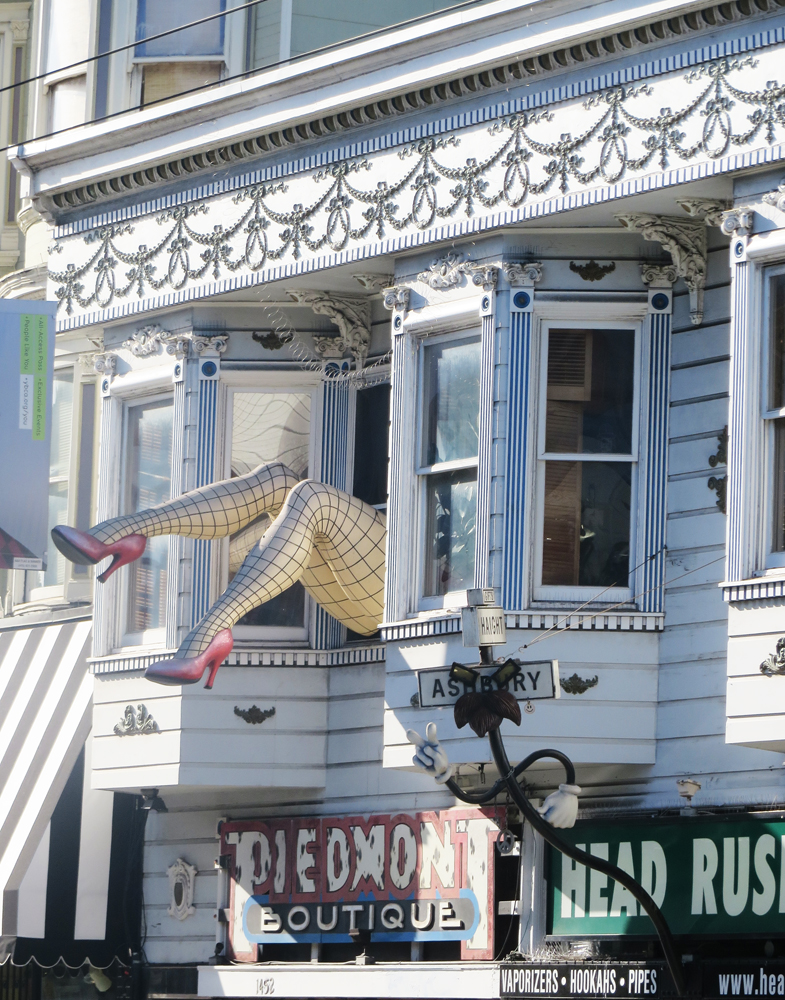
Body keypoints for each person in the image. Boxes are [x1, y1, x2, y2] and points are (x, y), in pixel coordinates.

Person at [52, 461, 386, 689]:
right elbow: (246, 550)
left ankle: (208, 630)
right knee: (279, 479)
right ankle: (124, 529)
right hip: (361, 585)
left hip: (399, 592)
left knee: (311, 496)